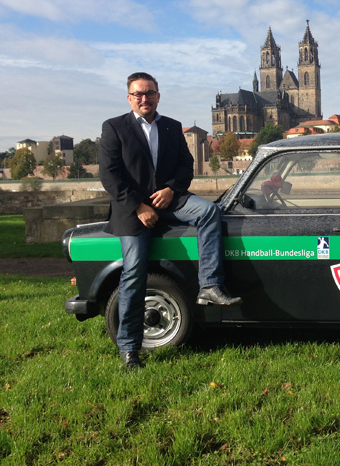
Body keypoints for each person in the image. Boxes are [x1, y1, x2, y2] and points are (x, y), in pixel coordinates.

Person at [99, 72, 242, 370]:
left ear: (158, 96)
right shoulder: (114, 127)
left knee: (209, 212)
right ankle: (129, 348)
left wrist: (171, 190)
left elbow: (185, 166)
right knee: (134, 272)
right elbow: (109, 175)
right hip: (133, 209)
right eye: (138, 94)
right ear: (129, 98)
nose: (144, 98)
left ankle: (210, 285)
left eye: (149, 93)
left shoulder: (172, 126)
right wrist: (138, 206)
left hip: (170, 199)